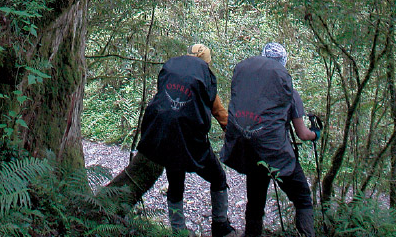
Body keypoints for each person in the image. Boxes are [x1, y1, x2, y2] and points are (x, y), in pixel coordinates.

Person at [220, 42, 321, 237]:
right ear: (283, 64)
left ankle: (252, 234)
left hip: (249, 148)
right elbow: (302, 134)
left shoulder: (247, 90)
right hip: (276, 154)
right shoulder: (289, 93)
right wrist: (316, 133)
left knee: (255, 201)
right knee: (302, 198)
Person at [137, 43, 236, 237]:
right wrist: (234, 133)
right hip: (191, 140)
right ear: (207, 63)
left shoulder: (173, 71)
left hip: (164, 135)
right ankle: (220, 226)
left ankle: (178, 231)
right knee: (218, 177)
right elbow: (220, 114)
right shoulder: (203, 80)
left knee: (176, 182)